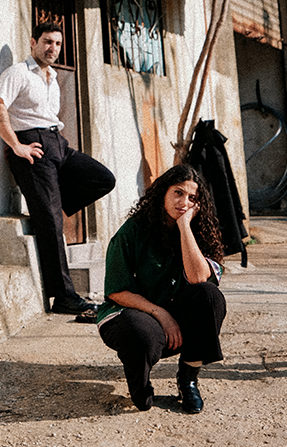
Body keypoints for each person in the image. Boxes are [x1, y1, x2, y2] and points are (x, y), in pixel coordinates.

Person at [0, 20, 116, 318]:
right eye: (47, 42)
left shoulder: (53, 77)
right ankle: (64, 297)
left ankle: (49, 204)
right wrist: (16, 145)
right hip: (32, 146)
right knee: (51, 223)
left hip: (57, 144)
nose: (53, 48)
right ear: (33, 42)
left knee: (103, 179)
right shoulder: (18, 72)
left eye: (57, 43)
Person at [96, 165, 227, 414]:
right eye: (178, 193)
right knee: (141, 338)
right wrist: (160, 314)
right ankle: (140, 377)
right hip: (130, 315)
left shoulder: (198, 231)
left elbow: (198, 278)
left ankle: (188, 378)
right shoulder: (132, 231)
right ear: (162, 193)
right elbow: (116, 291)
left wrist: (184, 227)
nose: (184, 202)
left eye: (192, 198)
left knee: (210, 297)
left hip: (174, 318)